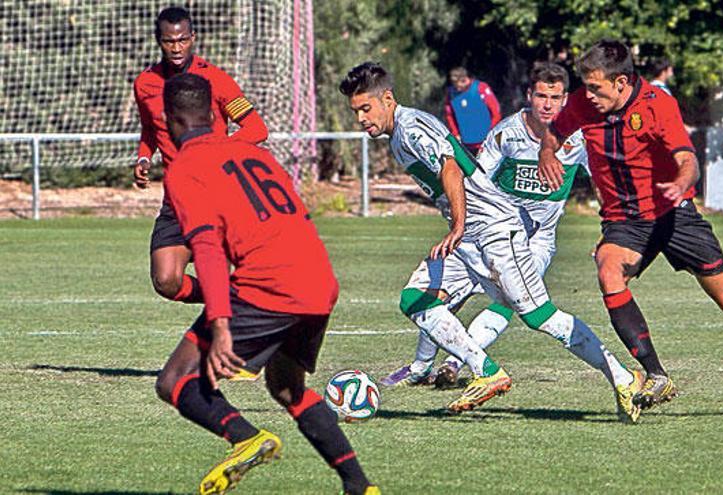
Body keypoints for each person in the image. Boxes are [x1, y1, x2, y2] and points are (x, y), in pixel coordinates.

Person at [340, 62, 643, 422]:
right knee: (415, 299)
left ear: (387, 98)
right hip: (470, 235)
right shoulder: (398, 133)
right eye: (355, 111)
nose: (360, 118)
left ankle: (624, 378)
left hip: (495, 229)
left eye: (365, 108)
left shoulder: (411, 127)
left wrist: (458, 225)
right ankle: (486, 371)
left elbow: (450, 166)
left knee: (540, 317)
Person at [538, 40, 723, 410]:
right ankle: (657, 375)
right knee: (609, 271)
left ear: (622, 82)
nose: (589, 96)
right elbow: (553, 132)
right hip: (625, 220)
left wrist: (681, 181)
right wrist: (547, 152)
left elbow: (687, 158)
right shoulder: (584, 104)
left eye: (596, 87)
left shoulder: (657, 106)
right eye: (586, 86)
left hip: (674, 216)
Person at [155, 73, 378, 495]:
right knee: (287, 386)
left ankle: (247, 438)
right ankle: (359, 486)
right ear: (215, 114)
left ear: (169, 119)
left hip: (269, 286)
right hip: (319, 281)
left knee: (175, 380)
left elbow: (206, 249)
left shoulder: (184, 168)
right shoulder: (253, 153)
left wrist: (221, 323)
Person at [382, 62, 597, 391]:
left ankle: (456, 363)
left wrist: (611, 227)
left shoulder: (580, 138)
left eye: (555, 97)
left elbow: (602, 178)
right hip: (497, 228)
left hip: (537, 241)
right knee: (439, 294)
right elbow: (478, 178)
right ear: (530, 95)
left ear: (565, 98)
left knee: (509, 303)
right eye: (541, 95)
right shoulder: (507, 133)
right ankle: (422, 364)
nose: (547, 104)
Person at [133, 6, 269, 303]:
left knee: (223, 267)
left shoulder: (217, 80)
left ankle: (233, 306)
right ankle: (232, 297)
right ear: (159, 40)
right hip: (177, 198)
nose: (177, 47)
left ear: (192, 38)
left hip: (217, 192)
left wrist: (217, 153)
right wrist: (144, 157)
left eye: (182, 40)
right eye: (169, 41)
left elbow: (256, 128)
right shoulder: (145, 84)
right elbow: (149, 129)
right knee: (166, 280)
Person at [444, 67, 502, 154]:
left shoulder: (481, 88)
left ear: (464, 80)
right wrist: (455, 133)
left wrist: (491, 132)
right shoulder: (451, 93)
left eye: (457, 85)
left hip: (486, 143)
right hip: (465, 144)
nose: (457, 89)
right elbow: (449, 115)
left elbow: (496, 112)